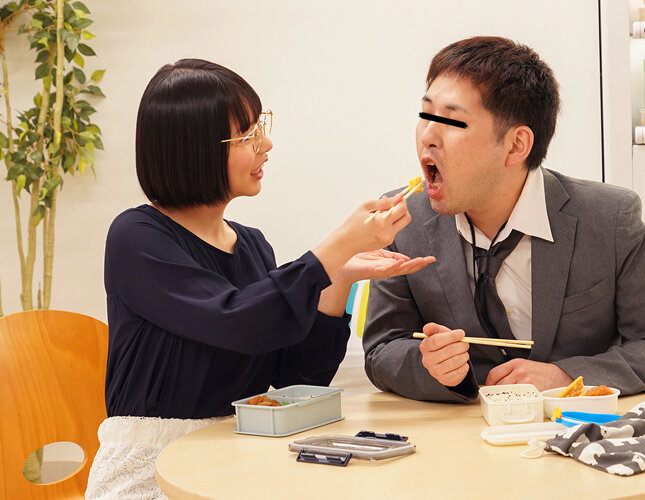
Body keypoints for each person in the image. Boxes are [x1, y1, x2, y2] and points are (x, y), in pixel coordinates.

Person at [85, 58, 434, 499]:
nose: (266, 144)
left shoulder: (252, 245)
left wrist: (341, 277)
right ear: (195, 148)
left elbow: (296, 379)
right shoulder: (136, 237)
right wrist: (338, 246)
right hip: (150, 469)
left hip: (238, 462)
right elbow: (233, 321)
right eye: (247, 135)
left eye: (260, 128)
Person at [362, 36, 645, 403]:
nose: (428, 136)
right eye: (425, 115)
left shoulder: (610, 219)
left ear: (516, 145)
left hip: (576, 430)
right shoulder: (404, 221)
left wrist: (566, 377)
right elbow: (382, 348)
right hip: (458, 431)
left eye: (451, 121)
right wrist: (430, 366)